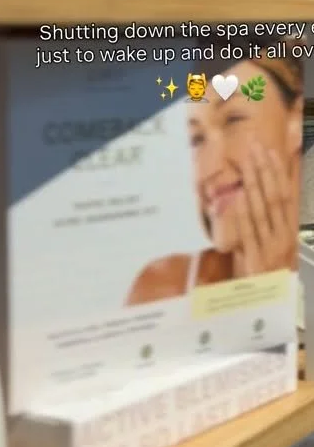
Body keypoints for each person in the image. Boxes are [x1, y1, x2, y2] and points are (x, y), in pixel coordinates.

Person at [126, 54, 303, 305]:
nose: (208, 170)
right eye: (196, 138)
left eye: (234, 120)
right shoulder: (162, 288)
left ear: (298, 121)